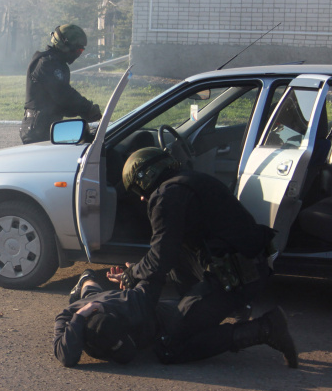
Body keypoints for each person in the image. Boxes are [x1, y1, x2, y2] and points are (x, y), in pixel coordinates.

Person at [108, 147, 298, 367]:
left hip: (235, 279)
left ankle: (265, 329)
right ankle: (198, 316)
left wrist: (134, 273)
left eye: (138, 189)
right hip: (248, 269)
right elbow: (167, 252)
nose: (141, 197)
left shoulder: (166, 196)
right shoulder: (190, 180)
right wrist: (141, 270)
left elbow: (160, 258)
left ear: (147, 178)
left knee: (167, 346)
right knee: (174, 255)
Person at [54, 269, 298, 367]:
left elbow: (150, 285)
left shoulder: (129, 306)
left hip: (164, 316)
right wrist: (81, 316)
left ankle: (265, 329)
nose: (124, 347)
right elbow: (66, 356)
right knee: (93, 294)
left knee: (172, 349)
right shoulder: (69, 318)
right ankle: (87, 278)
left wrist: (133, 275)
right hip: (99, 302)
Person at [20, 24, 102, 144]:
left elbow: (60, 104)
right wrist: (87, 108)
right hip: (37, 129)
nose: (79, 54)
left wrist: (82, 111)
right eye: (78, 50)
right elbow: (63, 95)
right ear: (65, 45)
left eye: (82, 50)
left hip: (47, 126)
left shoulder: (58, 64)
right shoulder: (46, 63)